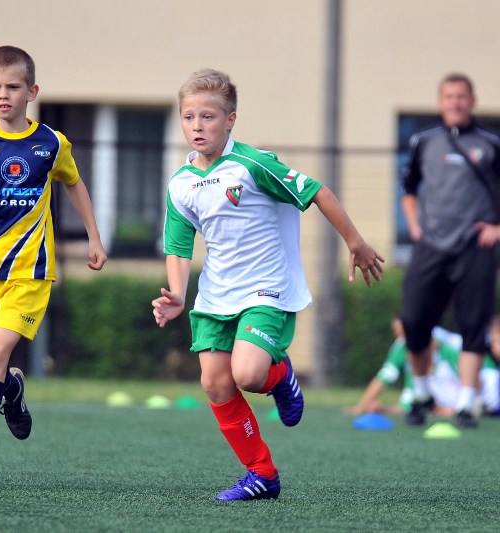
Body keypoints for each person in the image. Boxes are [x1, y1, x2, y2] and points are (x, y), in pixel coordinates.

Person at [151, 69, 384, 501]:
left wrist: (356, 242)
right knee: (215, 384)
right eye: (188, 117)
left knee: (249, 374)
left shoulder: (253, 165)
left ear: (230, 120)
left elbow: (317, 192)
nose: (197, 126)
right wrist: (178, 294)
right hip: (216, 295)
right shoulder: (180, 183)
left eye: (208, 117)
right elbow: (179, 246)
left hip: (265, 288)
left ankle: (281, 376)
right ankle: (262, 474)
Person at [0, 45, 107, 485]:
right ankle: (13, 389)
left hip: (30, 273)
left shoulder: (51, 143)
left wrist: (94, 236)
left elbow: (75, 184)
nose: (4, 94)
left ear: (32, 91)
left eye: (13, 86)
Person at [400, 73, 500, 429]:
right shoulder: (424, 141)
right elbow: (409, 187)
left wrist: (497, 228)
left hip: (475, 246)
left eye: (461, 96)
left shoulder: (491, 143)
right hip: (431, 245)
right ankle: (422, 392)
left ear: (472, 101)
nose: (455, 102)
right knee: (413, 320)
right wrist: (414, 226)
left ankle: (466, 403)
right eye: (449, 97)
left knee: (473, 324)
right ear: (440, 102)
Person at [343, 316, 500, 417]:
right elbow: (396, 394)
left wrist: (458, 406)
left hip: (486, 389)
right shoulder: (403, 349)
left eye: (405, 334)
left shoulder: (448, 352)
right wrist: (372, 408)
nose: (403, 340)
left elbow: (478, 383)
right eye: (399, 334)